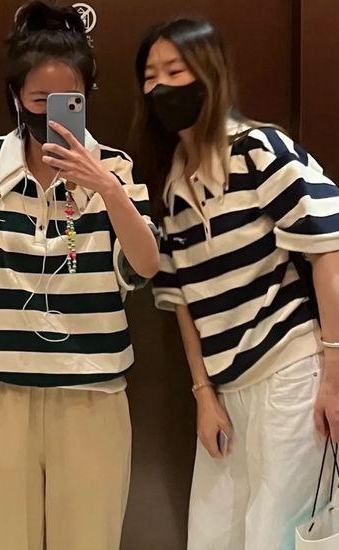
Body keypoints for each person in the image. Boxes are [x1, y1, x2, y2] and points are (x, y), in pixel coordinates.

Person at [0, 2, 160, 549]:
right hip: (1, 390)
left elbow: (145, 267)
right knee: (0, 539)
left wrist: (105, 186)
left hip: (93, 390)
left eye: (69, 100)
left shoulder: (115, 168)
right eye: (39, 100)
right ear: (16, 96)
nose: (52, 112)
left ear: (87, 96)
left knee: (88, 539)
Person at [135, 18, 339, 550]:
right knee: (211, 536)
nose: (161, 86)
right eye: (150, 76)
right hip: (227, 389)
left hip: (291, 372)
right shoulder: (170, 186)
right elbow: (181, 302)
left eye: (175, 70)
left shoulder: (258, 148)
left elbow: (328, 250)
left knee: (277, 535)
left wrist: (334, 377)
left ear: (209, 73)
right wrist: (203, 394)